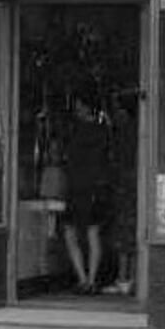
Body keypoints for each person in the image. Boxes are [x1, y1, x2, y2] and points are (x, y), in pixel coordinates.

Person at [62, 99, 113, 295]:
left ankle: (83, 279)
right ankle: (90, 280)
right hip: (94, 188)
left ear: (85, 107)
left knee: (70, 233)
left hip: (76, 187)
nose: (76, 110)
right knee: (92, 233)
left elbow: (67, 158)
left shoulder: (74, 131)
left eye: (78, 107)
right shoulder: (103, 132)